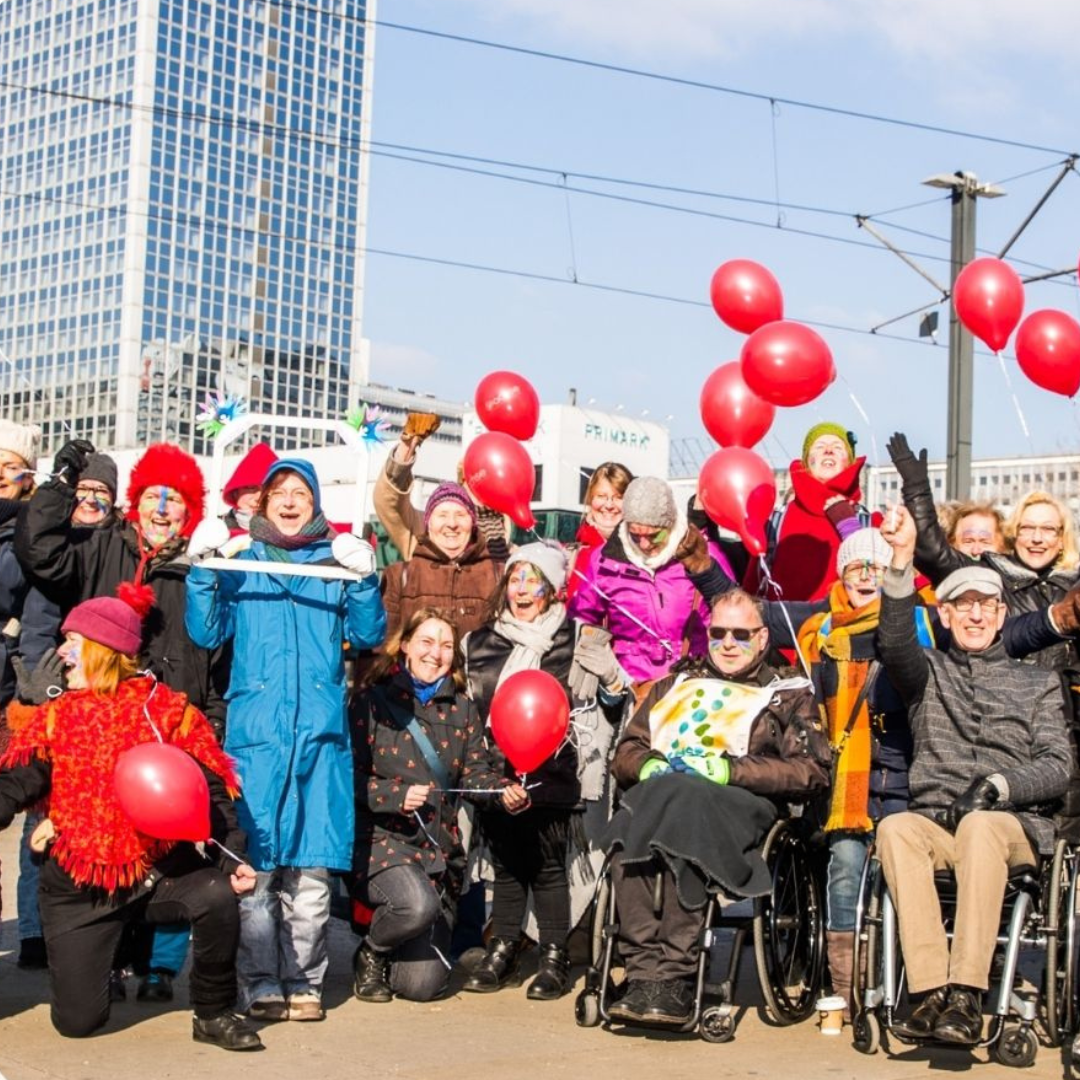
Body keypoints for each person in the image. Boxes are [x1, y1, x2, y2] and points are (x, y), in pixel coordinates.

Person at [0, 592, 261, 1050]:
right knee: (78, 1023)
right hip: (80, 886)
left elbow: (211, 789)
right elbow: (16, 784)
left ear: (105, 650)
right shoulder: (58, 716)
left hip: (153, 871)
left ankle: (214, 1013)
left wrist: (231, 858)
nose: (62, 651)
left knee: (216, 896)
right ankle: (108, 951)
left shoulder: (167, 711)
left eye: (73, 640)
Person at [185, 457, 386, 1022]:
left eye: (302, 492)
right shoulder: (242, 562)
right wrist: (202, 571)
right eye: (280, 492)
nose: (291, 500)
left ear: (317, 503)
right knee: (258, 872)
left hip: (320, 742)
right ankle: (260, 982)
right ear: (264, 502)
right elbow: (205, 631)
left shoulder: (334, 561)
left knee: (313, 877)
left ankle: (305, 983)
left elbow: (369, 633)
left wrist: (366, 581)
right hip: (256, 743)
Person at [873, 507, 1072, 1045]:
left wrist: (997, 787)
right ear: (945, 616)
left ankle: (968, 992)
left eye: (986, 605)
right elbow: (892, 644)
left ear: (1003, 614)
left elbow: (1059, 766)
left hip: (1013, 829)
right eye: (963, 606)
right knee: (895, 829)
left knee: (982, 825)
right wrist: (899, 559)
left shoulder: (1037, 685)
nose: (976, 616)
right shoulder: (928, 675)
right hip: (939, 824)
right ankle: (931, 990)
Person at [603, 588, 830, 1025]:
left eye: (741, 635)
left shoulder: (788, 692)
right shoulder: (675, 683)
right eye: (719, 633)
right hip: (664, 793)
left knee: (684, 810)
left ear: (763, 638)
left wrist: (733, 770)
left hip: (741, 803)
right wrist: (648, 765)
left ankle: (674, 974)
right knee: (630, 823)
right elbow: (628, 748)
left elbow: (811, 770)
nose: (728, 643)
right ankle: (642, 972)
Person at [462, 542, 629, 1000]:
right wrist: (488, 776)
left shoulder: (580, 639)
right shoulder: (479, 642)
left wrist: (614, 682)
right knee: (507, 865)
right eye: (515, 578)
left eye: (532, 580)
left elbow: (611, 712)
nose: (521, 589)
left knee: (548, 866)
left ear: (553, 590)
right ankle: (504, 946)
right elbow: (471, 712)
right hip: (496, 768)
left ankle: (554, 955)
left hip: (558, 769)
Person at [350, 608, 526, 1003]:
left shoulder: (462, 709)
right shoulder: (369, 702)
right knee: (415, 905)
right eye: (427, 642)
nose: (436, 653)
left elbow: (475, 774)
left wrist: (502, 792)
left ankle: (397, 943)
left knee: (421, 987)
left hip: (436, 850)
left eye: (446, 646)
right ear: (406, 646)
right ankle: (372, 951)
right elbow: (346, 779)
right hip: (382, 844)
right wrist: (393, 797)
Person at [569, 476, 735, 694]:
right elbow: (581, 618)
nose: (644, 544)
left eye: (654, 536)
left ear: (671, 523)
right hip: (628, 686)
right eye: (635, 536)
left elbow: (733, 612)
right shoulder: (603, 561)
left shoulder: (701, 554)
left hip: (693, 684)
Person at [0, 420, 61, 972]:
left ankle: (35, 930)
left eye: (8, 464)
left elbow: (25, 600)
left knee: (23, 808)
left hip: (12, 693)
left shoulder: (28, 535)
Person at [375, 427, 504, 640]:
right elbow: (388, 501)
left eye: (460, 515)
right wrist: (405, 451)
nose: (451, 523)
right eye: (442, 514)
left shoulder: (501, 533)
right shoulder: (416, 537)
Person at [744, 422, 877, 602]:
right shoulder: (775, 522)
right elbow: (750, 593)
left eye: (838, 447)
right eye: (820, 446)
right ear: (807, 462)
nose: (828, 451)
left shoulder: (870, 523)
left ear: (850, 463)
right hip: (783, 628)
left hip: (846, 628)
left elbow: (892, 586)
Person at [565, 462, 633, 601]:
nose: (609, 505)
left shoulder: (642, 552)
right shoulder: (569, 555)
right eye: (601, 496)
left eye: (619, 497)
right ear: (591, 499)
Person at [221, 441, 277, 535]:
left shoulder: (297, 537)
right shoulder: (215, 532)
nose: (259, 497)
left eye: (268, 489)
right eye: (251, 488)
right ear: (235, 493)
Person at [70, 453, 119, 529]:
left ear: (112, 499)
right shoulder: (49, 533)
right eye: (82, 489)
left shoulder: (129, 537)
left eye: (101, 491)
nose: (90, 500)